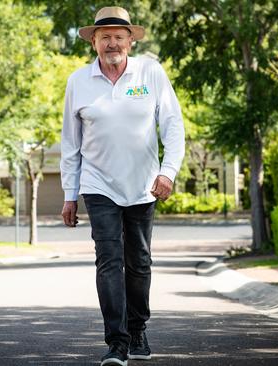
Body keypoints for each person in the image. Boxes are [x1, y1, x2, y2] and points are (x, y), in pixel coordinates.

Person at [60, 6, 185, 366]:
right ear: (93, 43)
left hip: (144, 185)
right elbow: (71, 144)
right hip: (98, 184)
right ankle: (116, 342)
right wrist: (70, 195)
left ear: (130, 40)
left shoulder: (151, 72)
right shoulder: (78, 82)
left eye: (118, 36)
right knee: (109, 259)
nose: (112, 43)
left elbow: (172, 126)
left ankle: (138, 329)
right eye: (104, 37)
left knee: (140, 260)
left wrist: (168, 172)